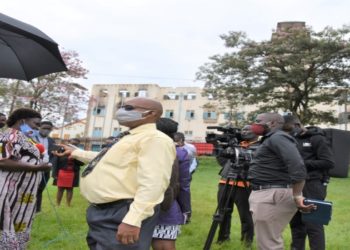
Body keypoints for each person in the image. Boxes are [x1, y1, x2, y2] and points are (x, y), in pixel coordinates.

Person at [57, 97, 176, 250]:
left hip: (122, 212)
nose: (121, 112)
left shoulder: (155, 140)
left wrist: (133, 219)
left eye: (129, 108)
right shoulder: (130, 137)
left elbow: (154, 183)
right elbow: (107, 159)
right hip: (103, 211)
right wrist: (77, 153)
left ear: (151, 114)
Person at [247, 112, 315, 250]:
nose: (255, 124)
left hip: (273, 194)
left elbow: (298, 166)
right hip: (267, 193)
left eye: (258, 120)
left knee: (269, 244)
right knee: (267, 241)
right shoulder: (271, 139)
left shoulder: (279, 138)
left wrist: (297, 195)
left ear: (272, 123)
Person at [0, 108, 51, 249]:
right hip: (8, 192)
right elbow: (3, 161)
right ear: (23, 121)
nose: (37, 127)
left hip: (21, 195)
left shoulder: (25, 138)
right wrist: (36, 168)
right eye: (36, 123)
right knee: (5, 228)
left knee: (17, 228)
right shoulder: (9, 136)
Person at [283, 114, 335, 250]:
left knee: (313, 225)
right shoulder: (290, 140)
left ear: (297, 125)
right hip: (293, 184)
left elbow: (328, 162)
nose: (286, 133)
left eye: (288, 130)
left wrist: (301, 164)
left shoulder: (317, 138)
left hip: (313, 184)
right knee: (296, 224)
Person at [152, 118, 191, 250]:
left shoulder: (138, 148)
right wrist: (186, 209)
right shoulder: (180, 153)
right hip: (166, 204)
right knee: (164, 243)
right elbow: (184, 184)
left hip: (133, 203)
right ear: (174, 134)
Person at [216, 125, 258, 246]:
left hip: (244, 184)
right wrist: (217, 146)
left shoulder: (260, 146)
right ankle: (222, 239)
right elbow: (223, 162)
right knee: (222, 213)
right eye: (243, 130)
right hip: (225, 182)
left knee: (245, 215)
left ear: (256, 132)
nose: (244, 132)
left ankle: (246, 242)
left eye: (247, 129)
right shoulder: (235, 145)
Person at [52, 138, 84, 206]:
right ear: (68, 142)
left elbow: (82, 163)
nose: (73, 145)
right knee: (60, 189)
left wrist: (75, 158)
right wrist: (54, 173)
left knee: (70, 189)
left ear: (78, 144)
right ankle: (58, 204)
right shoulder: (60, 149)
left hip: (73, 173)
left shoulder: (79, 152)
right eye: (72, 144)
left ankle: (68, 204)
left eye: (75, 144)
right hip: (61, 172)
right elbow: (55, 161)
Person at [34, 120, 56, 212]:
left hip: (46, 169)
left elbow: (54, 155)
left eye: (49, 129)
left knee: (40, 189)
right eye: (44, 128)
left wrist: (50, 164)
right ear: (39, 127)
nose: (46, 130)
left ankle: (37, 209)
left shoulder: (51, 140)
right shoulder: (32, 137)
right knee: (31, 189)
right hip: (33, 168)